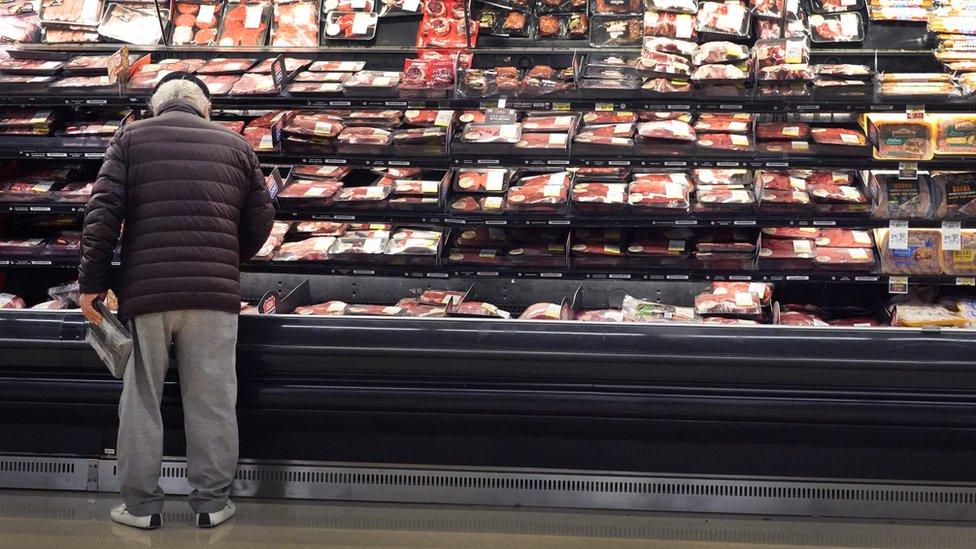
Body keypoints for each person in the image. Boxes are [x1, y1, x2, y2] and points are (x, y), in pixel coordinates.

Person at [77, 73, 275, 530]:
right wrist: (229, 256)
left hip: (146, 292)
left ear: (156, 108)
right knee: (212, 398)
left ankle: (141, 507)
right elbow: (261, 217)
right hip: (213, 294)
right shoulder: (236, 145)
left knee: (141, 396)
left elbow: (102, 213)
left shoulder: (130, 139)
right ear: (204, 108)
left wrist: (93, 282)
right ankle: (211, 503)